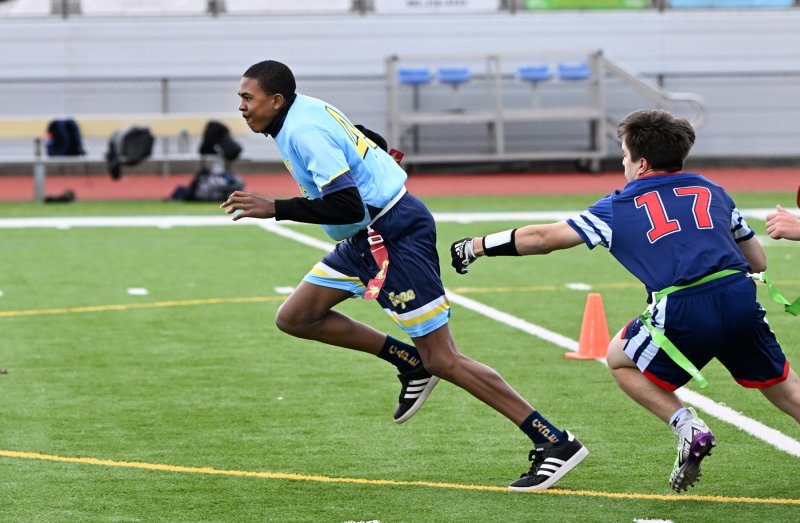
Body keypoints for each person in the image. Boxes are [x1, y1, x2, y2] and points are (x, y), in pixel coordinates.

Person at [220, 60, 588, 491]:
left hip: (393, 237)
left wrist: (275, 208)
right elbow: (366, 137)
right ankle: (408, 362)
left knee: (443, 358)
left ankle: (554, 441)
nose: (241, 106)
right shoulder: (304, 112)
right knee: (296, 316)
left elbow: (346, 207)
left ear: (276, 100)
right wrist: (373, 161)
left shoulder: (303, 130)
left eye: (248, 98)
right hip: (366, 239)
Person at [451, 109, 800, 492]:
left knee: (619, 358)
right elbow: (758, 261)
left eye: (624, 154)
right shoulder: (712, 191)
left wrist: (477, 246)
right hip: (739, 298)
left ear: (642, 162)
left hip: (682, 306)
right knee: (787, 391)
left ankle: (687, 424)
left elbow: (542, 239)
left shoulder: (618, 205)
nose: (622, 161)